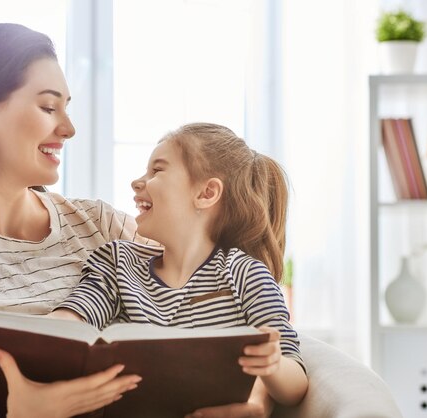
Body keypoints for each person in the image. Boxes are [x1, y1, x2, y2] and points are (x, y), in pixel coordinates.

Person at [0, 23, 276, 418]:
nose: (68, 129)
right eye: (49, 107)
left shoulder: (100, 226)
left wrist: (256, 399)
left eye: (66, 108)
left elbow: (232, 305)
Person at [52, 122, 309, 407]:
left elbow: (295, 384)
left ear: (206, 193)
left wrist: (273, 364)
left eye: (157, 170)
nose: (137, 182)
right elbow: (69, 324)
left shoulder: (246, 275)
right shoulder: (116, 263)